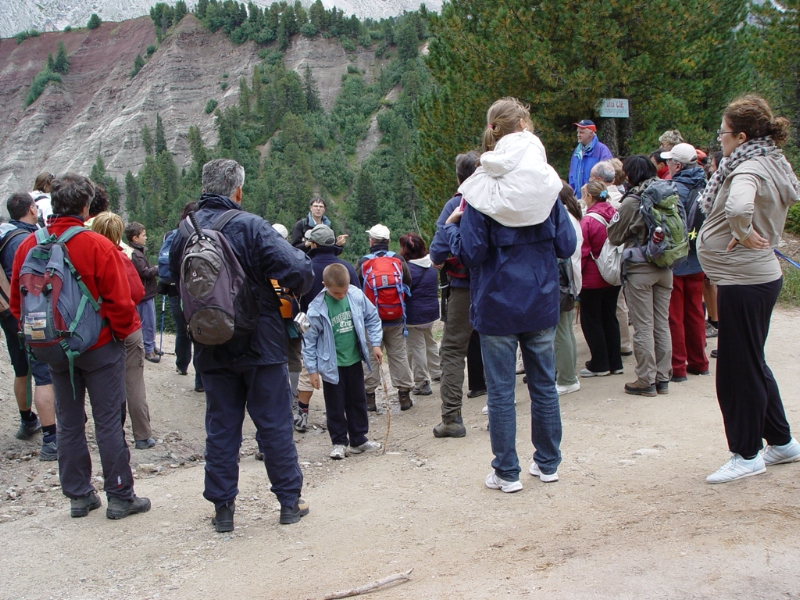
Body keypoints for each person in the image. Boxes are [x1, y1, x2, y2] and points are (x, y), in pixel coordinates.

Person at [169, 159, 313, 530]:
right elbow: (299, 269)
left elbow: (170, 279)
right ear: (238, 190)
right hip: (260, 341)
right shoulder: (250, 226)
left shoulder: (184, 232)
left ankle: (223, 511)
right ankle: (289, 503)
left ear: (204, 188)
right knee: (274, 423)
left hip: (210, 342)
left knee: (221, 426)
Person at [445, 97, 576, 491]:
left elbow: (472, 254)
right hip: (540, 299)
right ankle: (548, 463)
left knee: (501, 392)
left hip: (496, 304)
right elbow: (566, 245)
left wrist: (452, 228)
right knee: (543, 385)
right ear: (523, 125)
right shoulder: (546, 182)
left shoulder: (480, 188)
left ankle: (506, 472)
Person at [10, 173, 149, 520]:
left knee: (69, 422)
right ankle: (120, 495)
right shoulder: (97, 245)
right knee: (108, 421)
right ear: (86, 206)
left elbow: (17, 303)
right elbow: (121, 302)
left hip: (55, 349)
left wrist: (43, 338)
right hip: (100, 347)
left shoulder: (29, 245)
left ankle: (79, 495)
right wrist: (120, 335)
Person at [697, 95, 800, 483]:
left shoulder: (747, 168)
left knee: (736, 370)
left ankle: (746, 453)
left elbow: (739, 208)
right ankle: (782, 442)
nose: (720, 138)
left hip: (744, 280)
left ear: (741, 136)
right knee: (751, 361)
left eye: (722, 132)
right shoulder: (771, 159)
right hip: (752, 278)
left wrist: (742, 231)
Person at [607, 156, 674, 397]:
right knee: (662, 323)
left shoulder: (632, 201)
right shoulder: (667, 195)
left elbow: (614, 236)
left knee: (643, 326)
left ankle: (646, 379)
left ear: (631, 174)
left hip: (640, 268)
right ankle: (663, 377)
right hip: (665, 265)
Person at [303, 264, 384, 459]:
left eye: (344, 291)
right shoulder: (316, 309)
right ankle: (339, 442)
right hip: (331, 365)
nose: (341, 296)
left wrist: (375, 344)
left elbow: (372, 318)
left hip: (354, 360)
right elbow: (309, 341)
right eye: (336, 293)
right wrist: (312, 370)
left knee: (358, 400)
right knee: (335, 405)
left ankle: (358, 439)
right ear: (325, 285)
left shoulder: (355, 295)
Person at [91, 212, 155, 450]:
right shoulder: (120, 256)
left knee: (106, 384)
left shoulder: (87, 256)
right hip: (127, 327)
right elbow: (137, 292)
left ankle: (112, 434)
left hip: (98, 330)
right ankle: (142, 436)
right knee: (134, 382)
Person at [429, 151, 482, 438]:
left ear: (459, 177)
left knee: (452, 349)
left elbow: (437, 251)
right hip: (499, 283)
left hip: (464, 287)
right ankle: (501, 412)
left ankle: (451, 418)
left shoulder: (456, 204)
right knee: (499, 342)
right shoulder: (499, 198)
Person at [0, 192, 57, 460]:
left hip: (7, 312)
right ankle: (51, 439)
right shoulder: (25, 240)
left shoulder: (5, 235)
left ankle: (27, 420)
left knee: (21, 368)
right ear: (32, 209)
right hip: (29, 314)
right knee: (43, 374)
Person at [294, 223, 359, 431]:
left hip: (312, 328)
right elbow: (358, 298)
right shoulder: (346, 268)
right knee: (343, 375)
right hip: (343, 330)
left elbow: (297, 303)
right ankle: (350, 419)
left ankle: (302, 414)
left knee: (307, 371)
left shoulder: (305, 268)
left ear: (313, 244)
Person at [662, 143, 709, 383]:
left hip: (676, 260)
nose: (667, 165)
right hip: (699, 257)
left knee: (675, 316)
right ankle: (700, 362)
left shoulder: (671, 189)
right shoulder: (707, 186)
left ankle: (678, 366)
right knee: (696, 311)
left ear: (678, 166)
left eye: (669, 161)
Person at [357, 224, 415, 412]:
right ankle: (404, 396)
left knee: (371, 357)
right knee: (398, 355)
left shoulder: (363, 262)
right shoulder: (398, 260)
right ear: (388, 241)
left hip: (371, 320)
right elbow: (407, 282)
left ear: (371, 241)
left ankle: (369, 398)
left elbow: (356, 287)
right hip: (396, 318)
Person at [579, 181, 623, 378]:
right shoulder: (615, 213)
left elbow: (582, 252)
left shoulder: (588, 221)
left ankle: (599, 362)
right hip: (613, 275)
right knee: (610, 317)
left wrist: (576, 277)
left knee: (592, 320)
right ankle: (615, 361)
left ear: (589, 197)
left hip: (592, 278)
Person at [158, 202, 203, 391]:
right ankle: (200, 381)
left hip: (175, 290)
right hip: (197, 290)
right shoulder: (201, 235)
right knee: (200, 332)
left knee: (182, 329)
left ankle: (181, 364)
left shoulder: (174, 235)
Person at [399, 232, 441, 396]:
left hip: (413, 315)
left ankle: (422, 382)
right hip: (430, 312)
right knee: (429, 341)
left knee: (416, 348)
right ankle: (437, 371)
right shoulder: (431, 266)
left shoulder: (406, 269)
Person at [554, 183, 583, 395]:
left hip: (563, 281)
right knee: (566, 329)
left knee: (561, 331)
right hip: (570, 280)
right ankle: (568, 373)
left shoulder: (563, 218)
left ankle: (566, 378)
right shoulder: (572, 216)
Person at [125, 222, 160, 363]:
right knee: (148, 322)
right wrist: (158, 268)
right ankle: (148, 349)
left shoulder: (137, 252)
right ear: (135, 238)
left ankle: (151, 345)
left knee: (150, 321)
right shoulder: (135, 254)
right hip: (144, 294)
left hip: (146, 293)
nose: (146, 237)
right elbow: (144, 272)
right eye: (143, 235)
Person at [569, 119, 612, 199]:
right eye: (578, 132)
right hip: (577, 199)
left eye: (581, 132)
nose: (578, 135)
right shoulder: (576, 151)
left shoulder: (602, 150)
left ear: (591, 133)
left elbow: (607, 177)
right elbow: (571, 175)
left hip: (594, 199)